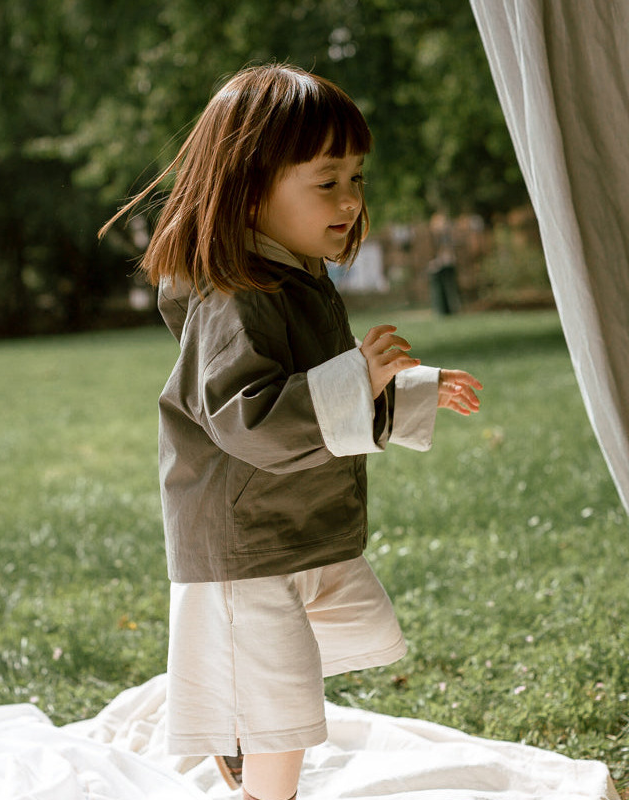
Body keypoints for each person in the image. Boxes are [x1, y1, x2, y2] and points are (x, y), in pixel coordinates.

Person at [99, 63, 482, 800]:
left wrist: (405, 390)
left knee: (295, 660)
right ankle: (260, 777)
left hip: (290, 520)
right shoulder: (235, 300)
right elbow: (249, 418)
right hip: (242, 537)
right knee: (284, 707)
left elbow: (324, 388)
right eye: (327, 181)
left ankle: (242, 728)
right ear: (251, 191)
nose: (350, 200)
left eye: (356, 179)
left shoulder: (299, 279)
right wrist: (355, 381)